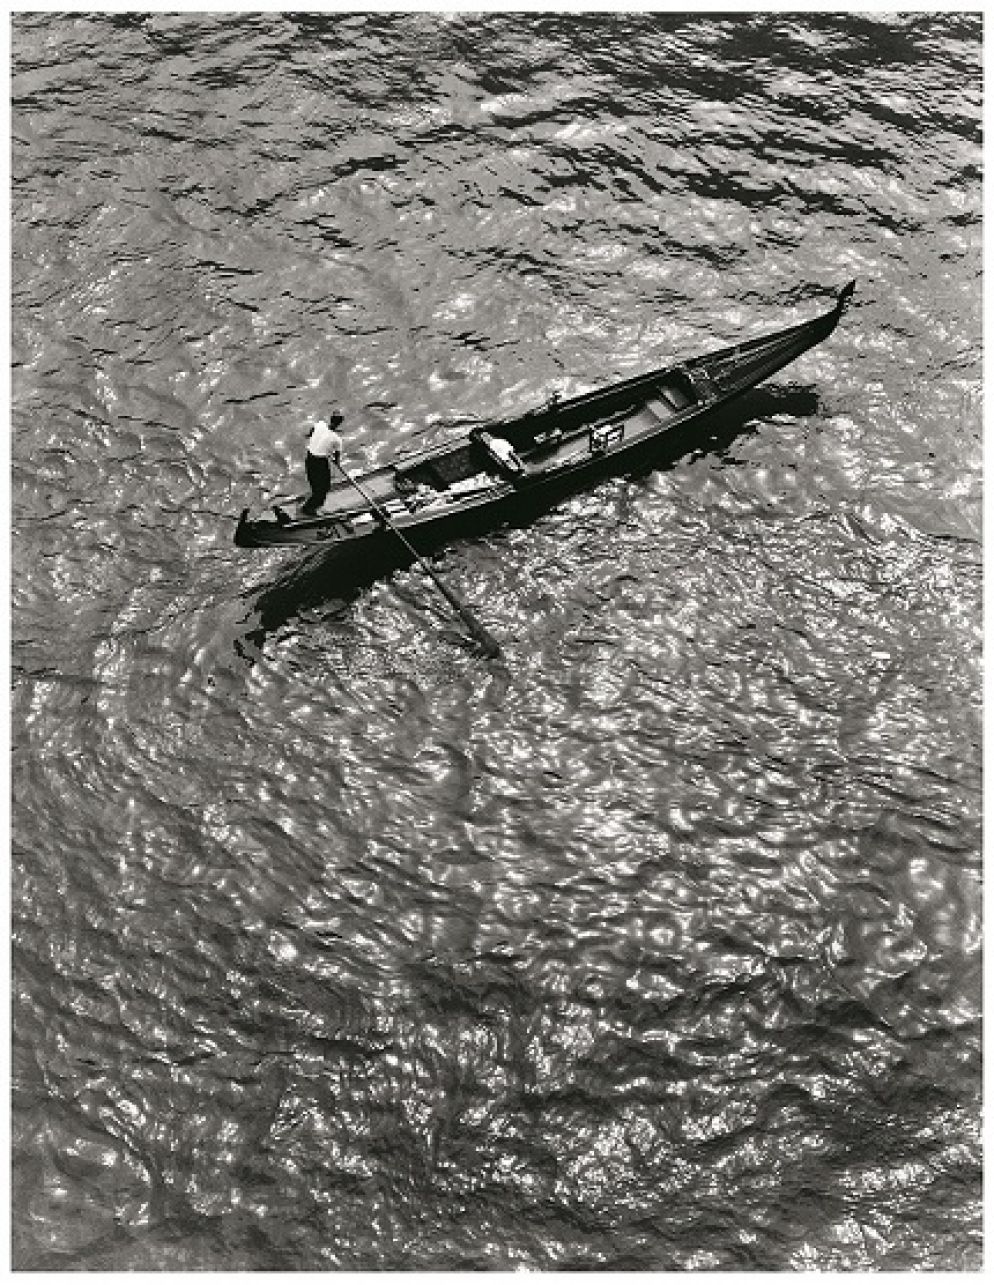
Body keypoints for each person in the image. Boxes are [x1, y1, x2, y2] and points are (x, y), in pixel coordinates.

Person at [302, 412, 344, 514]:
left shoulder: (320, 424)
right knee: (324, 488)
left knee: (315, 484)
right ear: (340, 423)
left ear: (330, 419)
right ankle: (309, 508)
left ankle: (312, 502)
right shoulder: (337, 439)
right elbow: (337, 458)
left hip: (309, 457)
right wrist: (336, 461)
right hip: (320, 462)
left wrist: (311, 436)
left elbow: (312, 431)